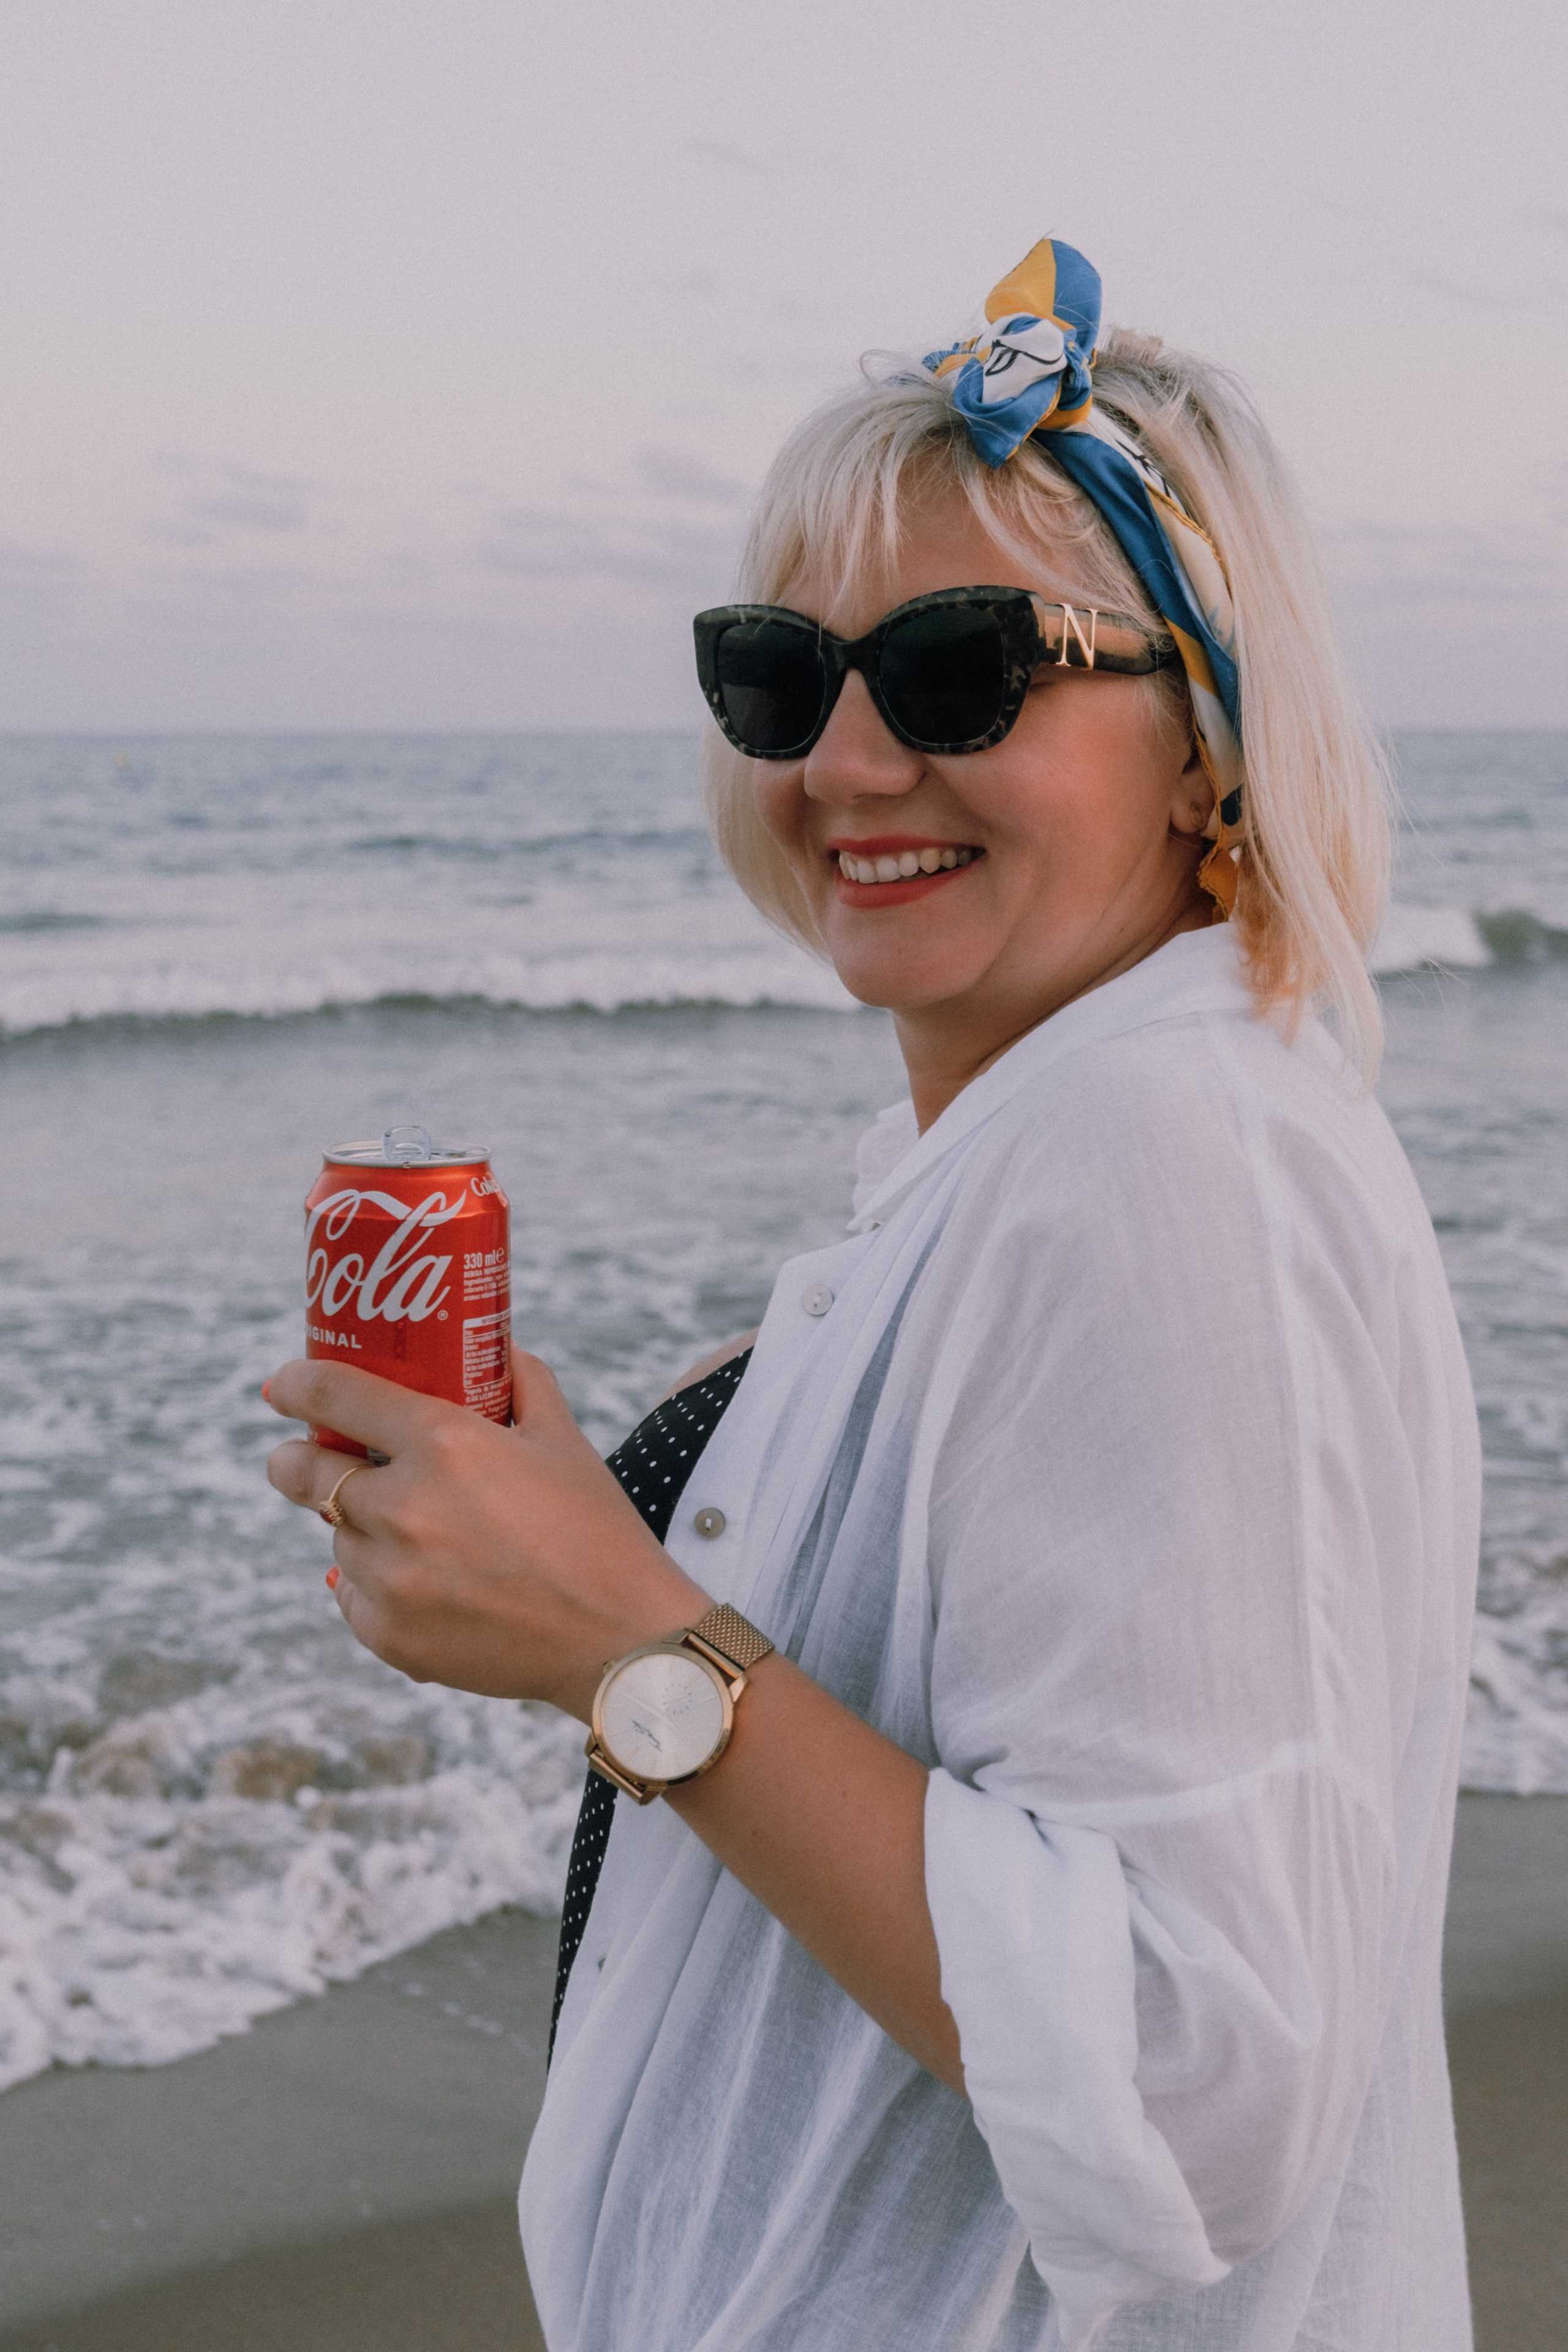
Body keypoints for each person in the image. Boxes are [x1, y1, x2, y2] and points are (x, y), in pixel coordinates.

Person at [265, 239, 1480, 2350]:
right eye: (777, 673)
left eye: (958, 670)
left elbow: (1198, 2091)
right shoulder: (1025, 1136)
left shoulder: (1158, 1156)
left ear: (1209, 743)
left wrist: (624, 1645)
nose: (840, 760)